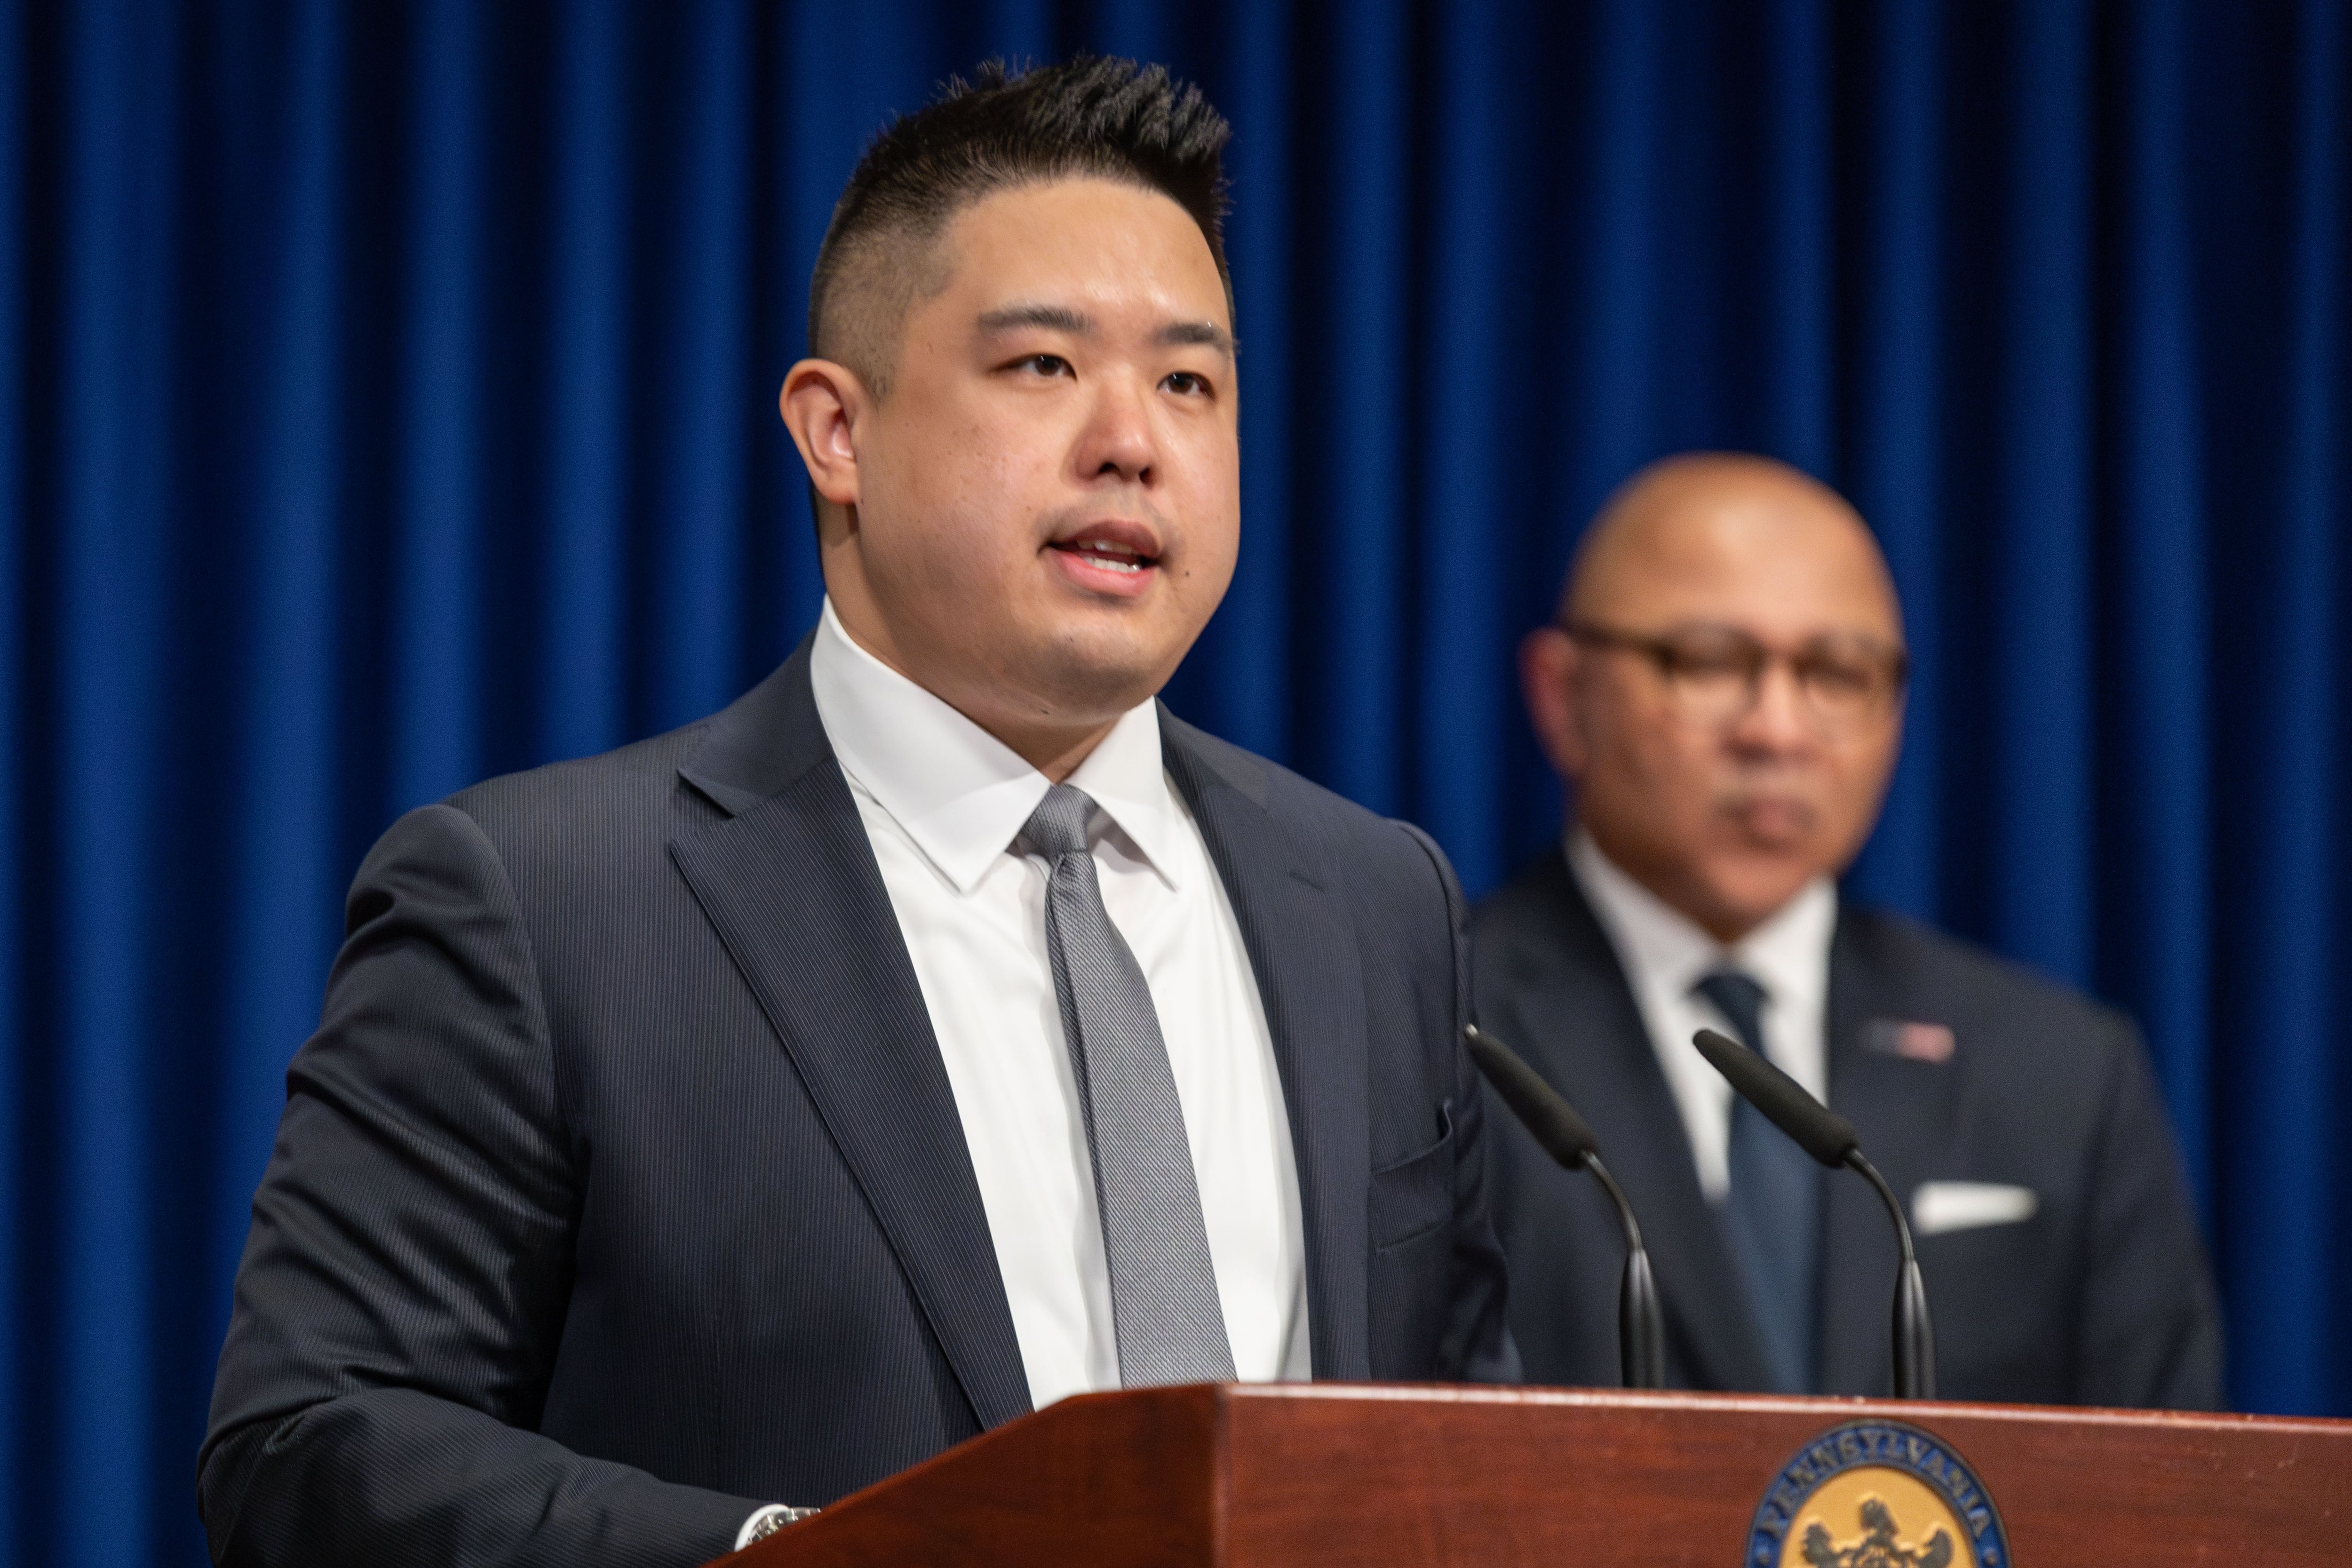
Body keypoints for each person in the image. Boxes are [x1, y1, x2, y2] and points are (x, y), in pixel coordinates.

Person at [199, 58, 1514, 1567]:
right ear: (837, 429)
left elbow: (1459, 1433)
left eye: (1189, 382)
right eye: (1043, 367)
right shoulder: (542, 899)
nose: (1132, 441)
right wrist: (794, 1555)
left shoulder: (1374, 897)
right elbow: (309, 1437)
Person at [1473, 452, 2221, 1406]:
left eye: (1837, 672)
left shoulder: (2060, 1074)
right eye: (1708, 661)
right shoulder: (1434, 1024)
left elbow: (2166, 1497)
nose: (1778, 730)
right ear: (1561, 695)